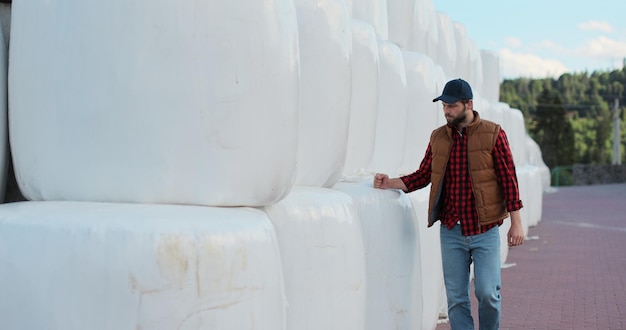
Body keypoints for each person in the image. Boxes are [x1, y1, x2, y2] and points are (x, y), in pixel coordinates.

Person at [373, 78, 525, 330]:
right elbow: (423, 175)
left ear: (468, 104)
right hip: (451, 230)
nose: (446, 111)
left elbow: (509, 180)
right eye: (443, 106)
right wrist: (390, 182)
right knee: (456, 300)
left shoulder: (494, 133)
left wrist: (516, 224)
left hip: (484, 230)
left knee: (488, 293)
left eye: (451, 106)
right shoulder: (438, 137)